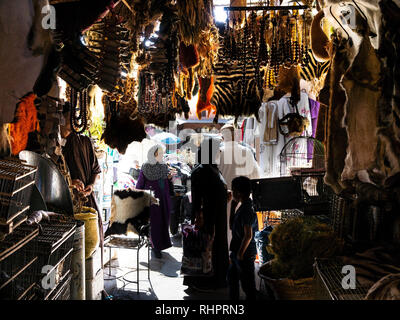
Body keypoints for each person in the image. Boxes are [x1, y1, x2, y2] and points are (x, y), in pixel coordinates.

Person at [183, 138, 231, 291]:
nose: (219, 152)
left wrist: (226, 194)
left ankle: (217, 279)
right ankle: (202, 282)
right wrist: (199, 215)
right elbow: (198, 196)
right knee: (204, 247)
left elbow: (218, 189)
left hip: (218, 215)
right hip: (207, 217)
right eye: (217, 149)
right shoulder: (201, 170)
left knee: (216, 246)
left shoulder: (213, 168)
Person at [60, 103, 103, 260]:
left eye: (74, 118)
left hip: (85, 202)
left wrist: (90, 185)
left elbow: (96, 171)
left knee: (87, 251)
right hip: (64, 205)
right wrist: (70, 181)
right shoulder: (55, 145)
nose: (72, 122)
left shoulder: (84, 142)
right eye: (68, 117)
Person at [218, 124, 261, 244]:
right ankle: (237, 255)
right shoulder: (246, 151)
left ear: (223, 137)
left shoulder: (218, 153)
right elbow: (256, 176)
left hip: (223, 198)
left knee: (224, 228)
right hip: (242, 198)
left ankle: (227, 256)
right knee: (241, 230)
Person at [136, 144, 173, 258]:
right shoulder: (146, 166)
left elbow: (167, 181)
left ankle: (162, 244)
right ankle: (155, 246)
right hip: (152, 199)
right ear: (154, 154)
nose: (162, 155)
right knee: (156, 224)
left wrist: (170, 178)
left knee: (164, 222)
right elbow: (140, 184)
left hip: (164, 198)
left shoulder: (164, 166)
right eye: (160, 153)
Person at [227, 176, 258, 300]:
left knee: (248, 287)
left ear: (238, 192)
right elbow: (231, 226)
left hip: (244, 253)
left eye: (233, 190)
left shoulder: (247, 209)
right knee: (232, 281)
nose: (231, 192)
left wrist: (240, 255)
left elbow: (248, 235)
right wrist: (233, 205)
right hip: (237, 252)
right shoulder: (242, 206)